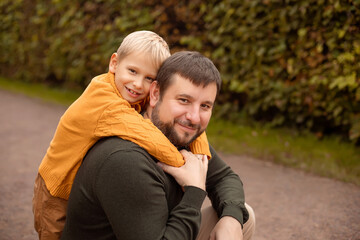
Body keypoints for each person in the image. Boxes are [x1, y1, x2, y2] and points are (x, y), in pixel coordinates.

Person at [32, 31, 212, 240]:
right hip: (56, 190)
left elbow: (192, 123)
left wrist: (201, 154)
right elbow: (146, 135)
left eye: (149, 78)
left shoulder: (131, 93)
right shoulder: (104, 102)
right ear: (114, 63)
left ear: (156, 86)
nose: (137, 84)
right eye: (133, 71)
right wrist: (185, 165)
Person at [61, 51, 256, 240]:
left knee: (241, 215)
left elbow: (225, 178)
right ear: (155, 94)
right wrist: (194, 191)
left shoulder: (179, 136)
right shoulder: (126, 160)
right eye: (184, 100)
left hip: (164, 232)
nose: (194, 117)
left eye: (205, 106)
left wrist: (231, 220)